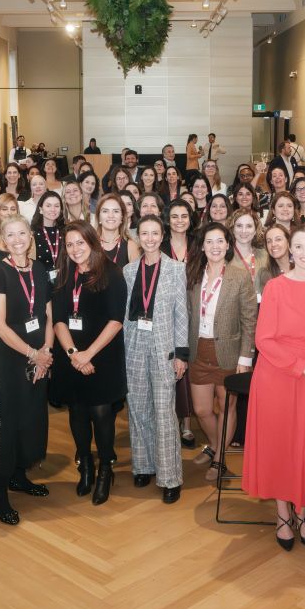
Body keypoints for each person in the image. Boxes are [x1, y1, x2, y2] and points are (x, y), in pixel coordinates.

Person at [245, 224, 305, 550]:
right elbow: (264, 340)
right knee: (282, 447)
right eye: (298, 247)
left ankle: (304, 512)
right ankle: (283, 514)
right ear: (289, 250)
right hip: (280, 375)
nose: (304, 253)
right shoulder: (275, 287)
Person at [0, 214, 56, 525]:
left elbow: (48, 316)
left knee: (31, 419)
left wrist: (46, 353)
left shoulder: (40, 269)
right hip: (12, 359)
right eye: (10, 235)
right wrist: (33, 355)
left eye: (22, 233)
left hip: (39, 355)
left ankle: (19, 477)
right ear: (3, 240)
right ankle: (0, 496)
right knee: (11, 424)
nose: (17, 240)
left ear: (30, 236)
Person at [51, 222, 129, 505]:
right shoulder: (64, 275)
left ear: (92, 242)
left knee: (101, 413)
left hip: (103, 357)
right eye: (69, 244)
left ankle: (106, 469)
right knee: (77, 412)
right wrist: (74, 354)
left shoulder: (112, 273)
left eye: (80, 243)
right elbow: (58, 319)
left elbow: (116, 321)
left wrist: (88, 355)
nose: (75, 249)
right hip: (71, 357)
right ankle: (86, 465)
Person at [120, 215, 189, 502]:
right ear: (138, 237)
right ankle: (144, 465)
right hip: (134, 345)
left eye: (154, 233)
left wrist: (181, 354)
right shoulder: (128, 271)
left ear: (162, 236)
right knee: (137, 408)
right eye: (144, 234)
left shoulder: (175, 269)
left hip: (164, 347)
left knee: (163, 411)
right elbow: (125, 314)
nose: (149, 238)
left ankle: (170, 476)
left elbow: (181, 313)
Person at [186, 223, 257, 484]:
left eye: (220, 241)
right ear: (202, 246)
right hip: (199, 349)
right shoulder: (193, 274)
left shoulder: (240, 276)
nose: (215, 247)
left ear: (228, 245)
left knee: (227, 406)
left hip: (230, 352)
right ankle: (217, 446)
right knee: (202, 409)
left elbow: (250, 320)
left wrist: (245, 357)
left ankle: (219, 459)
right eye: (209, 242)